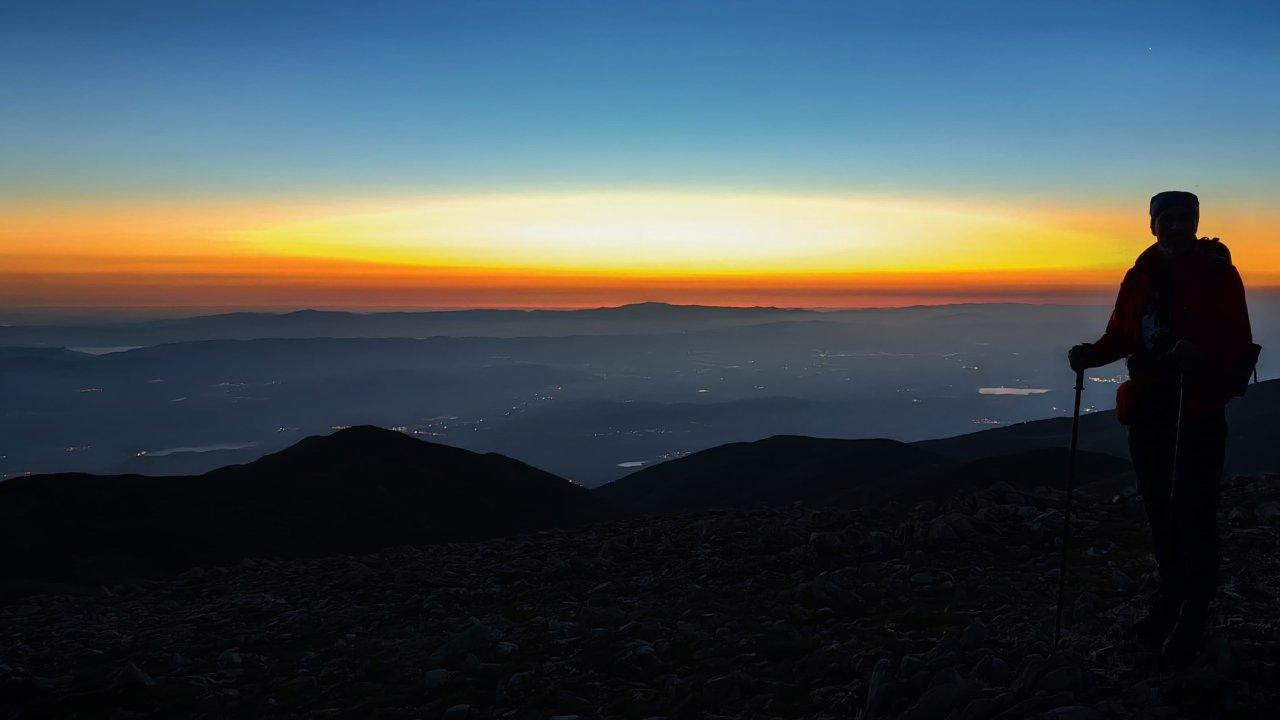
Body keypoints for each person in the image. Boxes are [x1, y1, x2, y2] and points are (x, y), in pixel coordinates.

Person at [1068, 191, 1259, 667]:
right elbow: (1123, 333)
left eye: (1184, 218)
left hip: (1194, 409)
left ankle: (1193, 611)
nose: (1175, 225)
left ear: (1195, 222)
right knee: (1159, 509)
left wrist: (1200, 360)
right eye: (1166, 218)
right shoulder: (1140, 276)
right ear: (1151, 224)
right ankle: (1172, 597)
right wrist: (1091, 355)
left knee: (1193, 510)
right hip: (1149, 408)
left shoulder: (1218, 275)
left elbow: (1236, 343)